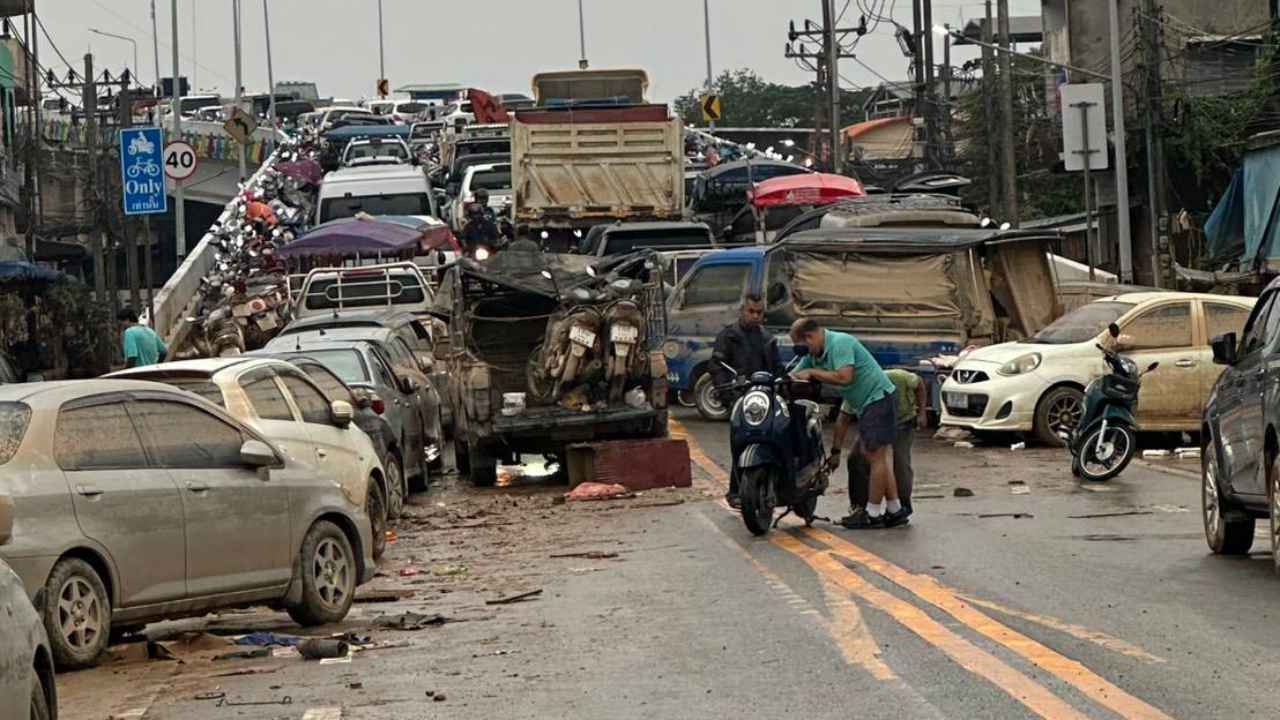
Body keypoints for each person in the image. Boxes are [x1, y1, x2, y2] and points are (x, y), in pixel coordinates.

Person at [789, 317, 906, 529]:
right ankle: (895, 509)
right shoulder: (814, 355)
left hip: (878, 397)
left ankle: (872, 514)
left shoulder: (840, 343)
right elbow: (795, 374)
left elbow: (845, 377)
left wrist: (813, 373)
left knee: (873, 455)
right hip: (865, 403)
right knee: (876, 455)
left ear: (810, 336)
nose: (802, 352)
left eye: (802, 345)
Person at [829, 368, 927, 520]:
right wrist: (836, 451)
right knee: (856, 459)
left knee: (900, 461)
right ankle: (859, 507)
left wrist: (922, 412)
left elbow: (919, 383)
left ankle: (902, 505)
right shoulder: (857, 390)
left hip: (903, 419)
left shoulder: (897, 376)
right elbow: (843, 419)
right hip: (875, 420)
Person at [712, 294, 781, 509]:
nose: (755, 316)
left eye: (759, 312)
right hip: (740, 398)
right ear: (742, 310)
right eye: (751, 311)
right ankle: (736, 490)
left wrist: (781, 382)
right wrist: (728, 395)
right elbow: (717, 365)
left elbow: (778, 367)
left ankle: (776, 483)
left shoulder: (767, 338)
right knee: (740, 443)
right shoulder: (729, 336)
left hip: (764, 398)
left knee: (776, 435)